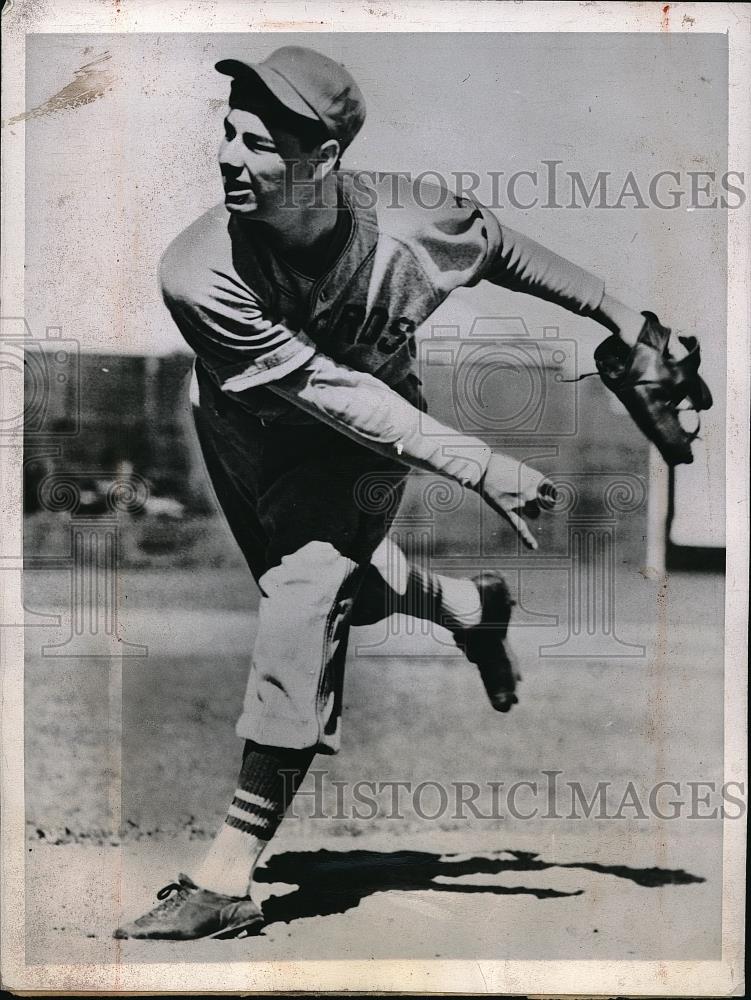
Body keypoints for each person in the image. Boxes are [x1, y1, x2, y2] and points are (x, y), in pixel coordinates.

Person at [114, 45, 706, 940]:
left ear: (324, 158)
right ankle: (471, 607)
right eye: (229, 134)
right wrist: (476, 462)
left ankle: (229, 874)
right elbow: (318, 387)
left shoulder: (408, 217)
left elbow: (499, 248)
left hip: (373, 437)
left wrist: (626, 319)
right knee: (328, 591)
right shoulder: (199, 269)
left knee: (302, 596)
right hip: (244, 428)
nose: (231, 156)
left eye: (261, 142)